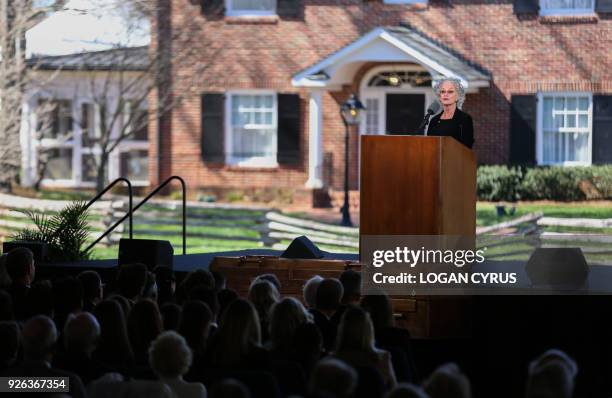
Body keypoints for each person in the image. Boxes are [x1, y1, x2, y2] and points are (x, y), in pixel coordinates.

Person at [427, 77, 474, 149]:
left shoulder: (464, 119)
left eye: (450, 92)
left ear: (458, 96)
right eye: (442, 91)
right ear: (439, 97)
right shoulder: (434, 121)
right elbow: (429, 146)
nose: (445, 94)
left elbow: (467, 147)